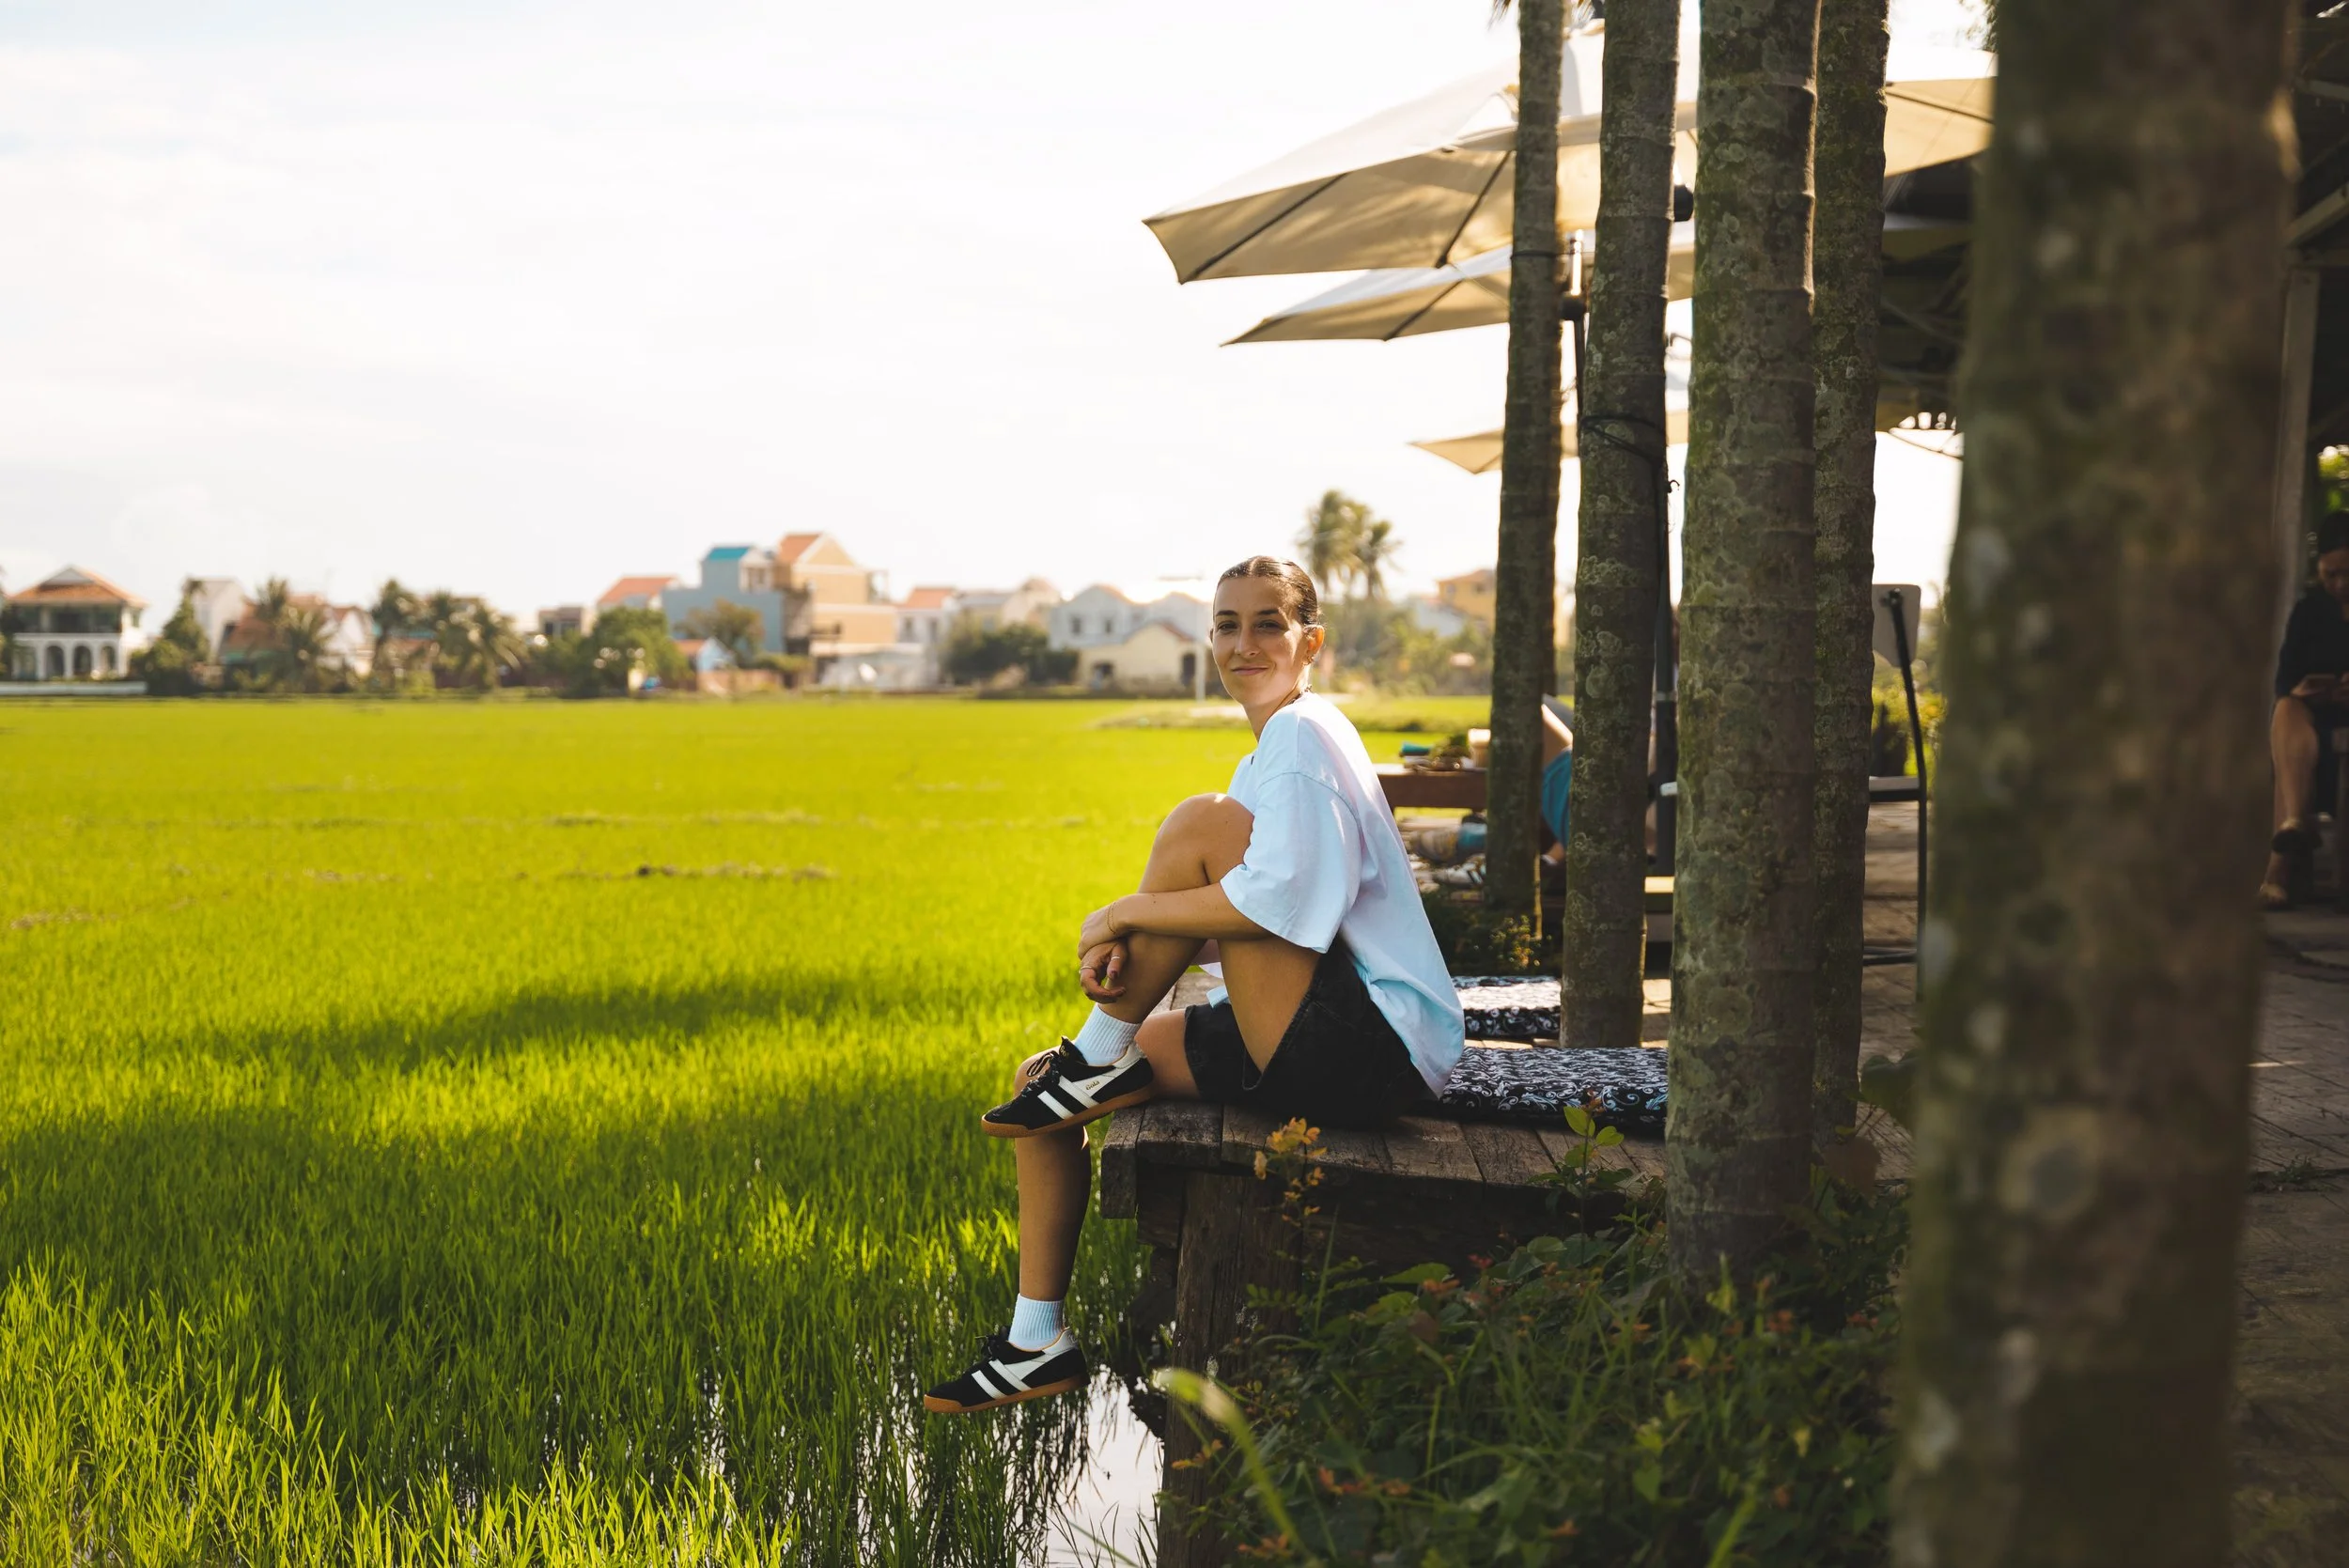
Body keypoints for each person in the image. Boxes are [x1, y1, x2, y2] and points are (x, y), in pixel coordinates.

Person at [922, 556, 1467, 1414]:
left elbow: (1281, 906)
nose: (1242, 642)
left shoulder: (1303, 736)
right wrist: (1137, 936)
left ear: (1309, 640)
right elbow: (1244, 921)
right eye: (1226, 624)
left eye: (1266, 623)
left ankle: (1097, 1051)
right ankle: (1037, 1338)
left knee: (1199, 821)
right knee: (1043, 1089)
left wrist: (1125, 911)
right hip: (1317, 1026)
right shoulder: (1273, 754)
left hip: (1372, 1043)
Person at [2263, 510, 2349, 908]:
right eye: (2331, 574)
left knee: (2287, 755)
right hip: (2316, 714)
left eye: (2348, 573)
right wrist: (2304, 689)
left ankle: (2280, 866)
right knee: (2286, 710)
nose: (2340, 584)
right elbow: (2285, 678)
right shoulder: (2311, 610)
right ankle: (2297, 822)